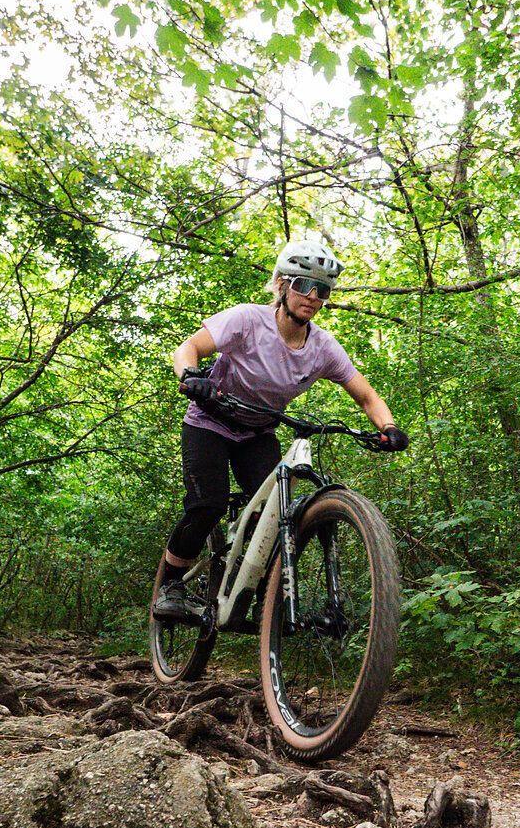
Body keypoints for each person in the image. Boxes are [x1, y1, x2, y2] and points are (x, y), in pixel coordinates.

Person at [155, 239, 409, 618]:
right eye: (303, 285)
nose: (312, 296)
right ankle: (170, 586)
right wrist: (192, 376)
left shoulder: (323, 348)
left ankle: (258, 596)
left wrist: (388, 427)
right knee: (208, 504)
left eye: (321, 290)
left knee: (274, 513)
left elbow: (366, 395)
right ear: (282, 286)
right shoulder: (246, 320)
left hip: (257, 433)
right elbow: (189, 347)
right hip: (210, 422)